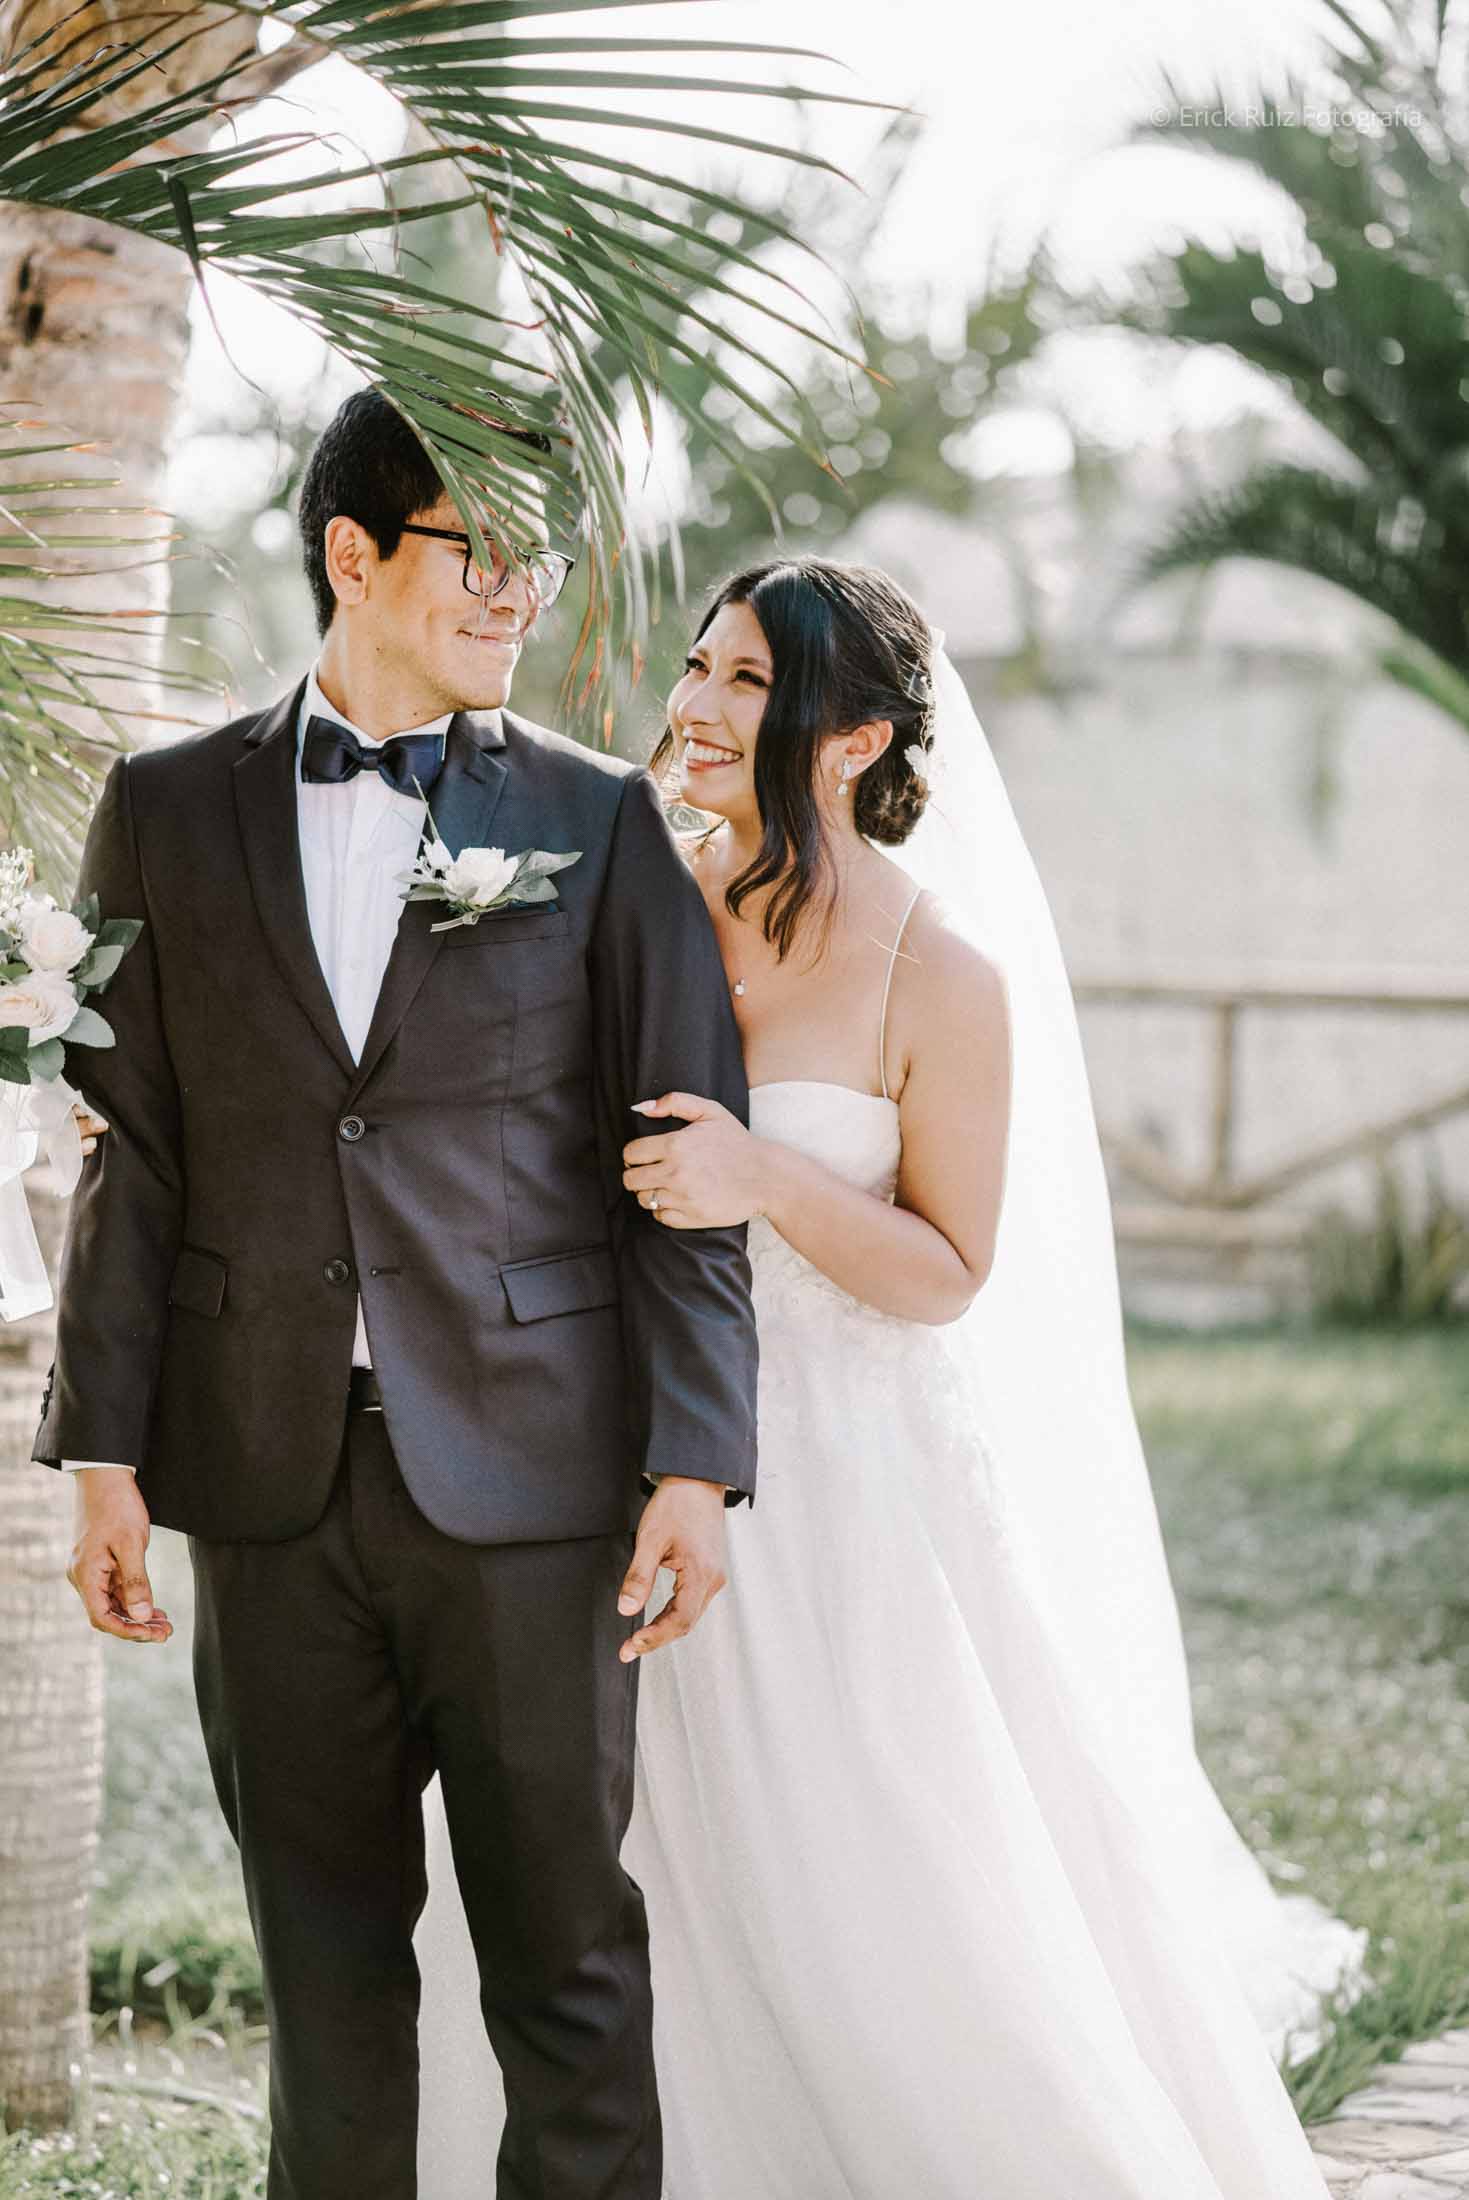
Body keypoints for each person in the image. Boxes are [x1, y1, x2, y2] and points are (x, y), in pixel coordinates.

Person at [410, 558, 1356, 2198]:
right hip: (595, 1455)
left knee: (867, 1874)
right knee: (590, 1869)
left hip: (840, 1486)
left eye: (748, 683)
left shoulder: (941, 978)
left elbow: (945, 1272)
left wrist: (764, 1177)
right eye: (697, 668)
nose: (696, 707)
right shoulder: (631, 898)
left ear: (854, 742)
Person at [29, 386, 759, 2200]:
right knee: (324, 1974)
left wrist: (696, 1459)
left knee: (565, 1965)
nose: (516, 591)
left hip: (532, 1481)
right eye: (475, 549)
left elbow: (682, 1165)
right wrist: (103, 1454)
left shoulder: (598, 820)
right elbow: (136, 1154)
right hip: (264, 1478)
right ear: (351, 556)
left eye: (536, 558)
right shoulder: (166, 807)